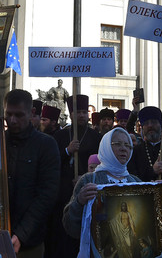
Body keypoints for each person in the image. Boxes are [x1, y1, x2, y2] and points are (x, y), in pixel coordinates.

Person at [4, 89, 60, 258]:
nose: (12, 120)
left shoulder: (46, 145)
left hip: (29, 243)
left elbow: (47, 195)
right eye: (8, 114)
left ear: (31, 113)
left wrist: (21, 234)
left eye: (19, 115)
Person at [62, 127, 141, 239]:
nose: (124, 149)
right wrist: (79, 202)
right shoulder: (89, 180)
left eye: (128, 145)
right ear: (106, 147)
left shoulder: (136, 182)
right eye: (118, 144)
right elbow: (71, 227)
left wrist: (158, 195)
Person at [51, 94, 101, 258]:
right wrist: (67, 151)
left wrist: (85, 178)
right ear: (71, 114)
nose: (81, 115)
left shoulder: (96, 137)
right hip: (64, 193)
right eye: (77, 112)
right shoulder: (60, 136)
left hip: (89, 194)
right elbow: (52, 162)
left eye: (84, 112)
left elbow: (102, 164)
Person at [128, 106, 162, 202]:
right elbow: (130, 181)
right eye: (146, 123)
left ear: (161, 126)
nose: (150, 126)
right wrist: (152, 171)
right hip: (143, 203)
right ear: (142, 128)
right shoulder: (135, 152)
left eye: (154, 122)